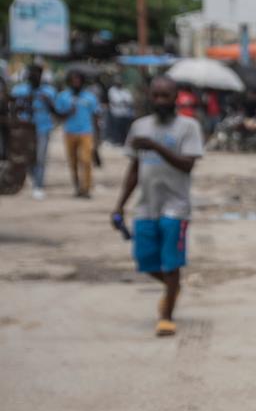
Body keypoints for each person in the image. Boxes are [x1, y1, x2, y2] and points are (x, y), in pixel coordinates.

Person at [112, 76, 205, 337]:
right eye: (156, 96)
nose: (160, 101)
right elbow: (133, 169)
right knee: (145, 261)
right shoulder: (139, 127)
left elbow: (187, 164)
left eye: (166, 96)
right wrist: (119, 205)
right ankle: (173, 288)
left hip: (176, 206)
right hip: (146, 206)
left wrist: (155, 146)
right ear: (149, 97)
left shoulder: (189, 127)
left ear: (176, 98)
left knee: (171, 263)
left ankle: (166, 315)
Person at [11, 63, 58, 199]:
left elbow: (56, 111)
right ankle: (33, 178)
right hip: (25, 130)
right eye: (32, 74)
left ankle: (39, 185)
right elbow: (13, 109)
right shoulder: (19, 90)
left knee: (41, 157)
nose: (34, 76)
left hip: (43, 128)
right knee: (27, 158)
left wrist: (47, 101)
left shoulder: (49, 91)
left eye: (37, 74)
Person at [55, 70, 101, 198]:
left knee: (86, 160)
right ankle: (77, 186)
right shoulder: (63, 96)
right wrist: (69, 111)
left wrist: (98, 137)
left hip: (86, 132)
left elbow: (96, 115)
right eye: (73, 80)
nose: (76, 83)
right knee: (73, 162)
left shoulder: (90, 97)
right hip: (69, 132)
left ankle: (86, 188)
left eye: (78, 80)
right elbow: (58, 115)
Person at [107, 77, 135, 145]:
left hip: (125, 113)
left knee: (124, 129)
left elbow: (130, 100)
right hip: (116, 113)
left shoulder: (125, 90)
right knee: (116, 128)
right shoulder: (112, 90)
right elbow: (115, 101)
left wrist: (123, 102)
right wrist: (123, 101)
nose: (119, 83)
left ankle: (123, 142)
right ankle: (116, 141)